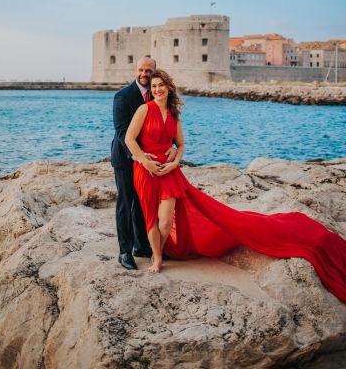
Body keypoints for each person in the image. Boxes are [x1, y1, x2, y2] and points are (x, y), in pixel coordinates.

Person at [125, 69, 346, 303]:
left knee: (167, 219)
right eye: (154, 86)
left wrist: (175, 162)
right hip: (146, 170)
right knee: (152, 217)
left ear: (168, 87)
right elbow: (130, 139)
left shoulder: (173, 113)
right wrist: (145, 161)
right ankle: (157, 258)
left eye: (161, 85)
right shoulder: (143, 110)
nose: (157, 89)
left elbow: (179, 145)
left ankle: (162, 250)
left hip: (170, 170)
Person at [111, 57, 176, 270]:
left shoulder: (157, 95)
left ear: (155, 72)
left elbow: (165, 124)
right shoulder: (122, 96)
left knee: (142, 204)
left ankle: (141, 245)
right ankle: (124, 252)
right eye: (141, 70)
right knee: (126, 203)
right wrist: (141, 157)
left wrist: (174, 147)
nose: (144, 74)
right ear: (135, 70)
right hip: (126, 159)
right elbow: (122, 133)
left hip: (149, 160)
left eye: (149, 71)